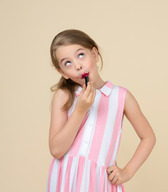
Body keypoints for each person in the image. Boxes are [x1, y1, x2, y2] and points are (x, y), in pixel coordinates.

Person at [47, 29, 156, 192]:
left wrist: (128, 171)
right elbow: (56, 150)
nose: (77, 65)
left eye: (81, 55)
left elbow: (148, 137)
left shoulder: (120, 97)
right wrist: (79, 110)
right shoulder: (64, 96)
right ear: (63, 73)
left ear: (95, 54)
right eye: (67, 63)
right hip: (66, 181)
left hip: (101, 183)